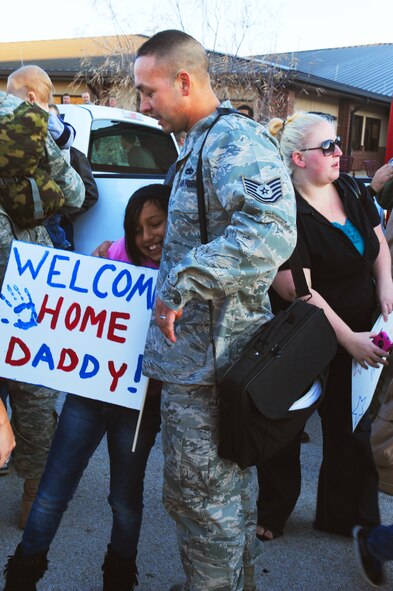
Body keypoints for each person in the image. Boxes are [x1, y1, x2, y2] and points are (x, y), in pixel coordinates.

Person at [134, 29, 297, 591]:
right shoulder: (200, 145)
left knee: (205, 507)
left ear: (183, 80)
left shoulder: (234, 142)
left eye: (148, 91)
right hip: (197, 367)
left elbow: (271, 231)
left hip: (212, 368)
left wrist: (183, 280)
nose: (142, 105)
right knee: (218, 504)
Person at [2, 184, 170, 591]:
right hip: (88, 396)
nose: (148, 237)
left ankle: (118, 579)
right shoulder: (114, 261)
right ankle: (22, 577)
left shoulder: (188, 276)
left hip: (138, 407)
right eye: (137, 229)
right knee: (51, 493)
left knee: (125, 501)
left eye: (156, 224)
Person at [256, 112, 393, 545]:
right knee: (286, 425)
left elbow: (379, 243)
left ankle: (345, 518)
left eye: (338, 144)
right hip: (307, 334)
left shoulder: (351, 189)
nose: (339, 153)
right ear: (298, 158)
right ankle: (274, 512)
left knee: (351, 426)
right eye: (328, 147)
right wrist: (348, 340)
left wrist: (386, 286)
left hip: (362, 329)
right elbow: (300, 291)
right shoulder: (284, 211)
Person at [1, 73, 85, 529]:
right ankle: (34, 491)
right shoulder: (26, 120)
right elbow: (74, 193)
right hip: (27, 271)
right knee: (32, 386)